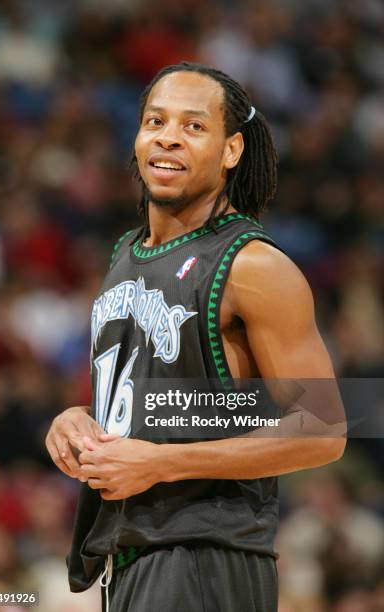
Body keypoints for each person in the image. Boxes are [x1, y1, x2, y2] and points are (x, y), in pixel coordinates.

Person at [45, 61, 345, 611]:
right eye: (156, 120)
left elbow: (325, 430)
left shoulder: (254, 267)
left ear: (232, 151)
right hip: (131, 558)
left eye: (193, 126)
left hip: (207, 558)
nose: (168, 137)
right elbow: (160, 408)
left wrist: (163, 464)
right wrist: (78, 421)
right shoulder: (124, 254)